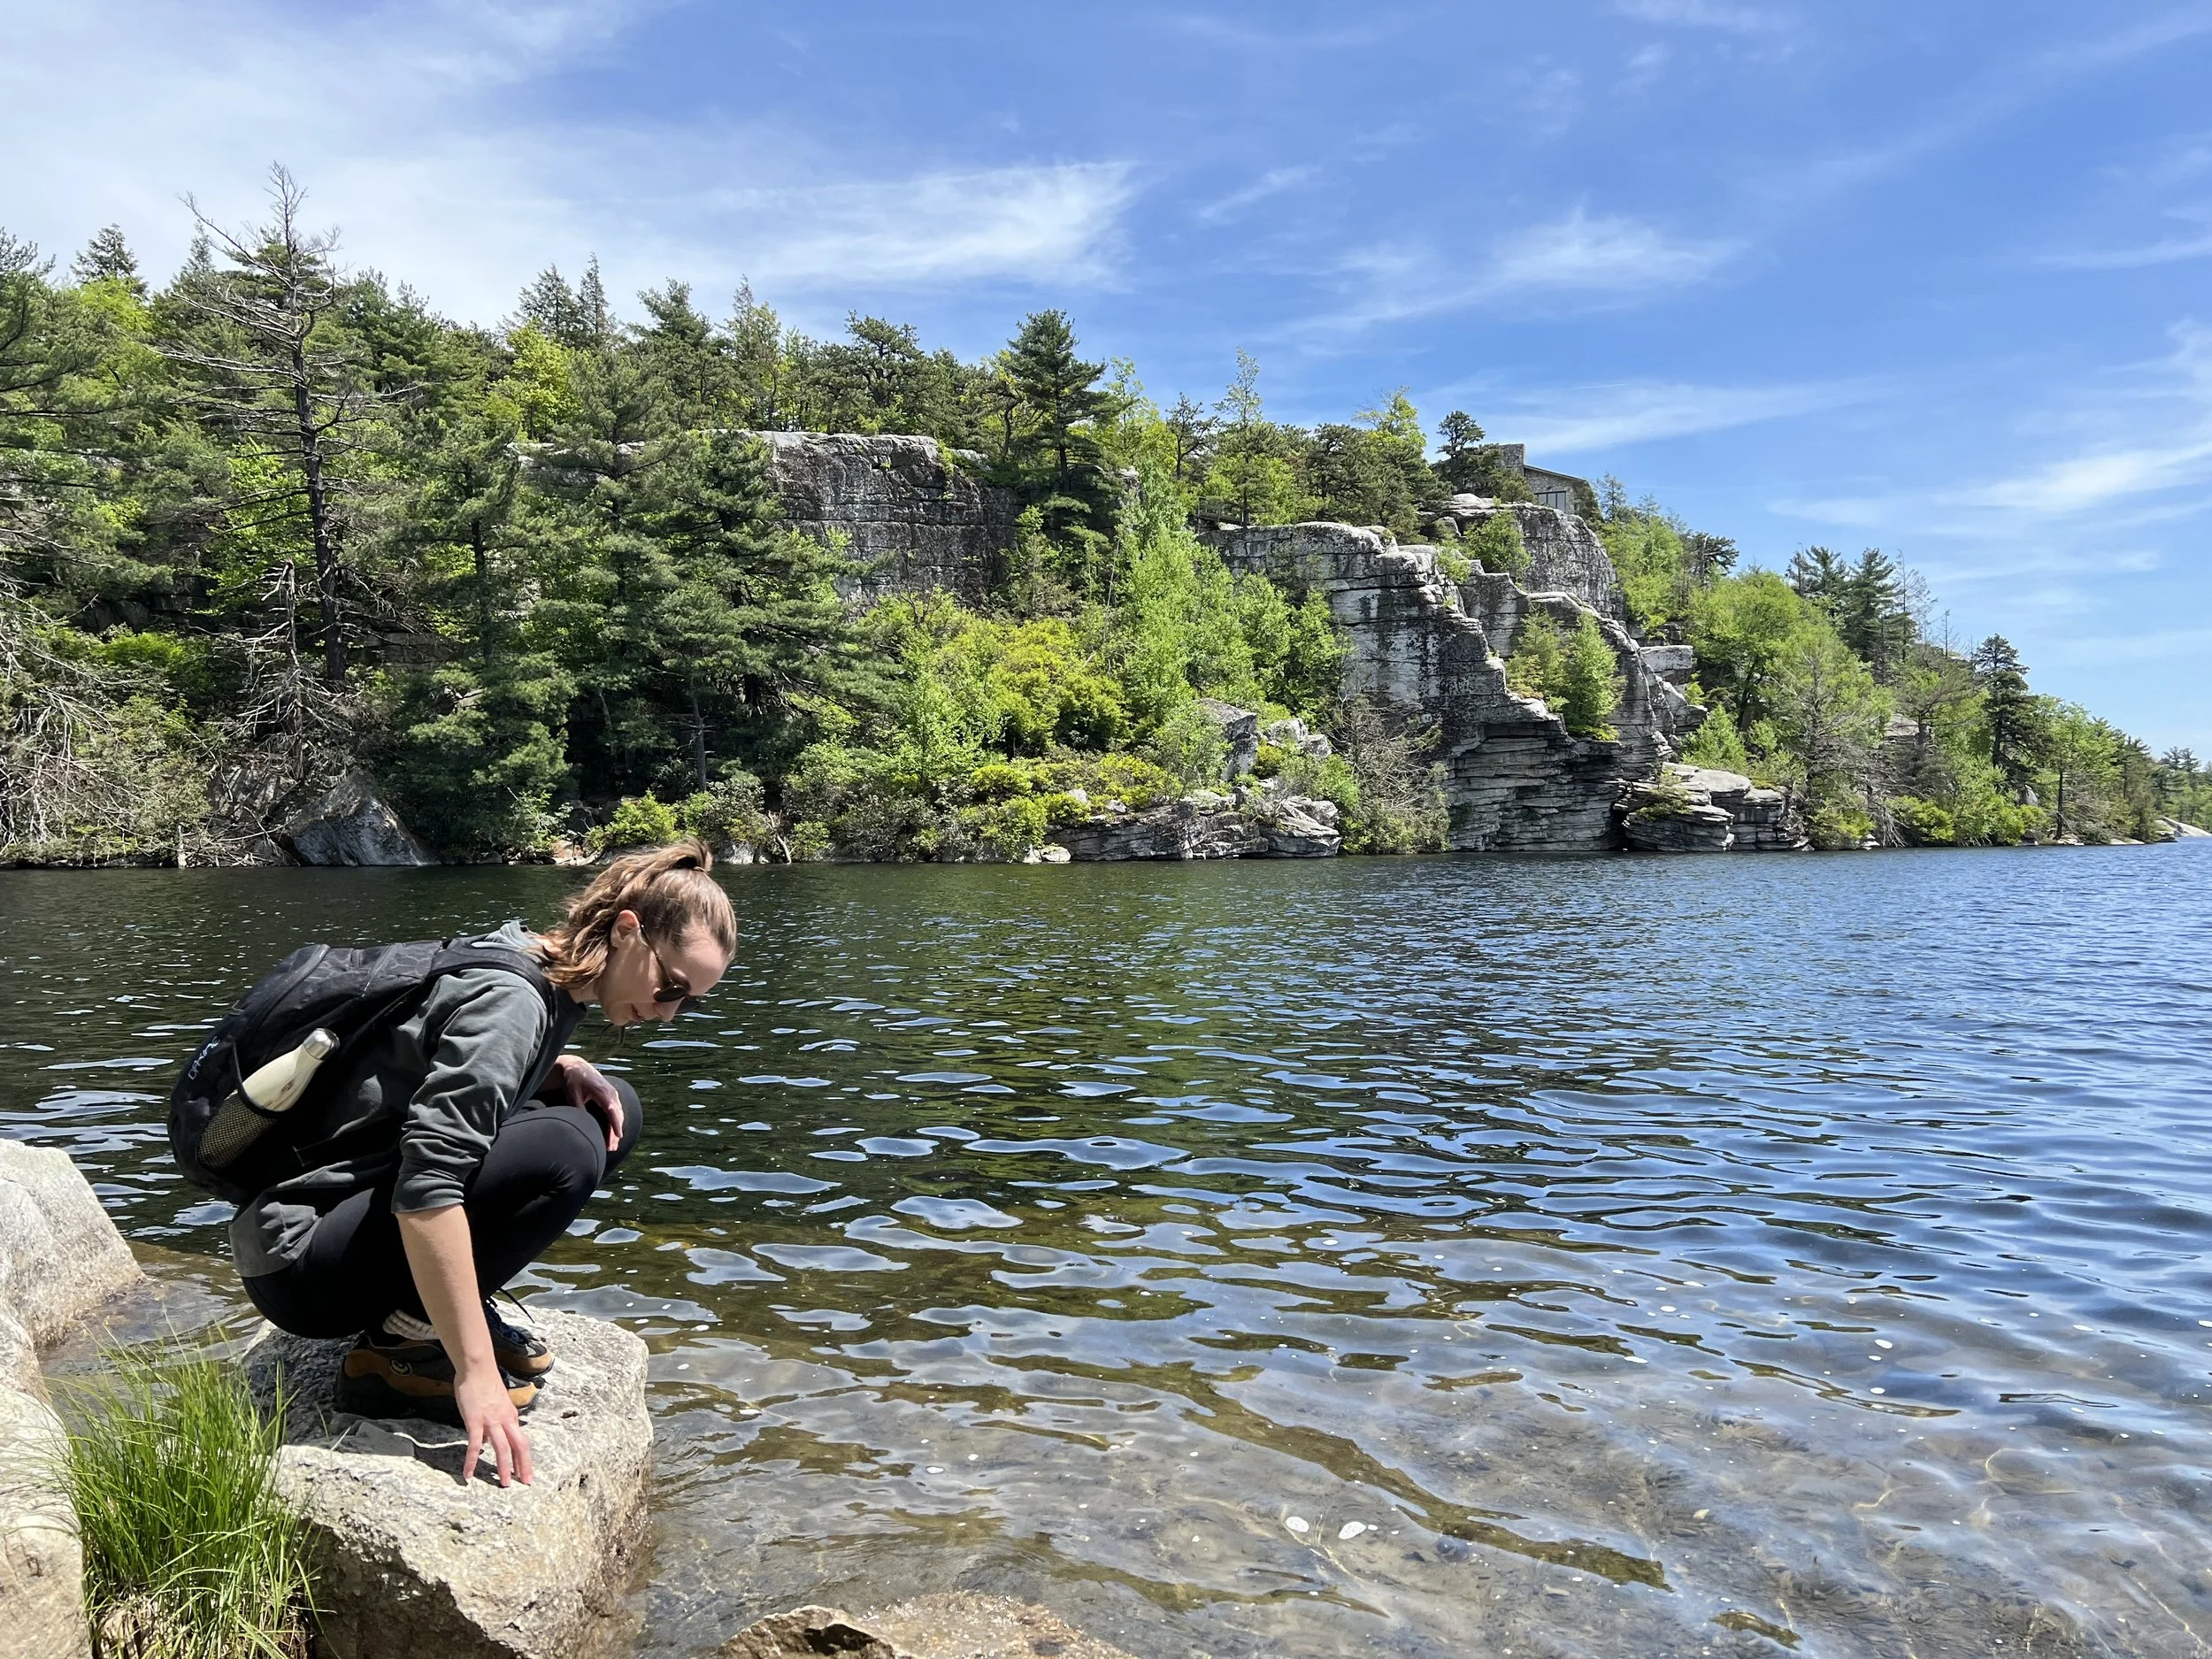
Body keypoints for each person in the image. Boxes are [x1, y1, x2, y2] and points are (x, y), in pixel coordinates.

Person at [232, 841, 736, 1487]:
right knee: (567, 1151)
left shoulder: (530, 962)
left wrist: (560, 1067)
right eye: (671, 987)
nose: (669, 1012)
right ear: (627, 929)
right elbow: (426, 1190)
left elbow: (431, 1055)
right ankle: (399, 1348)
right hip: (299, 1263)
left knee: (614, 1112)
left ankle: (426, 1312)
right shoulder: (516, 1005)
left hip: (325, 1225)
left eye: (689, 1002)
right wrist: (474, 1369)